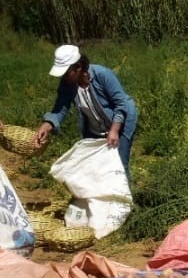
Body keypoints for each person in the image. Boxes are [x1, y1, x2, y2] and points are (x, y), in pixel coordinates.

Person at [32, 45, 138, 182]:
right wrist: (46, 126)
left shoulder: (102, 75)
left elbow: (121, 103)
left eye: (66, 72)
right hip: (95, 129)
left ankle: (124, 201)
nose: (63, 77)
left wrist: (114, 130)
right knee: (96, 167)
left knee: (119, 166)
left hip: (121, 123)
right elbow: (60, 109)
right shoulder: (66, 85)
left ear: (78, 67)